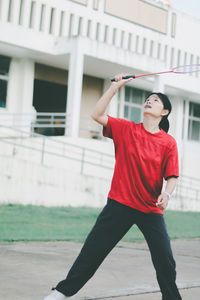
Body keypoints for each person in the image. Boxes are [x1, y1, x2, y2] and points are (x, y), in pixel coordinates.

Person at [43, 74, 182, 300]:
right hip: (120, 204)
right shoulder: (126, 129)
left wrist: (167, 193)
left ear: (164, 112)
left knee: (165, 259)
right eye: (148, 99)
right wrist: (115, 88)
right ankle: (61, 293)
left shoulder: (168, 142)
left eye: (155, 100)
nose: (149, 101)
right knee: (92, 252)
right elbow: (96, 114)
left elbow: (172, 176)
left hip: (150, 209)